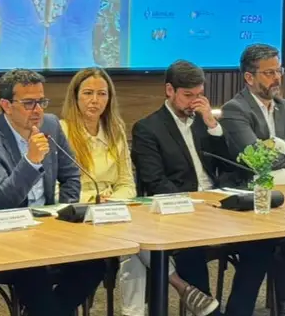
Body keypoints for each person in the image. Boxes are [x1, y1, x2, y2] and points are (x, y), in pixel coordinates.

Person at [59, 67, 219, 316]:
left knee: (134, 241)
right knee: (133, 240)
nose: (95, 100)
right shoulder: (62, 131)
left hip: (113, 208)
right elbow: (57, 185)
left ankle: (135, 311)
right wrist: (93, 202)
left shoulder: (114, 129)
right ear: (75, 97)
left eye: (102, 94)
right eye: (88, 93)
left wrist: (114, 202)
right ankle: (180, 286)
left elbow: (127, 182)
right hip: (78, 212)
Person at [129, 60, 271, 316]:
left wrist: (213, 126)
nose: (193, 102)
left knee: (261, 244)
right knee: (190, 252)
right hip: (181, 213)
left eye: (199, 95)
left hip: (217, 206)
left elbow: (231, 165)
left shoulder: (203, 122)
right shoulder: (147, 128)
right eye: (187, 95)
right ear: (169, 90)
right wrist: (194, 203)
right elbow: (154, 181)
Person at [0, 68, 106, 316]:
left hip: (49, 228)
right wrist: (31, 160)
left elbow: (71, 174)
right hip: (4, 234)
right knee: (35, 270)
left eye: (41, 101)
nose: (38, 110)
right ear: (6, 105)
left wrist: (65, 211)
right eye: (28, 103)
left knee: (96, 261)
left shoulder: (51, 125)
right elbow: (5, 199)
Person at [220, 44, 285, 316]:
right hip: (257, 198)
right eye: (269, 73)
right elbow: (255, 158)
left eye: (279, 71)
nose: (277, 78)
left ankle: (283, 300)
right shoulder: (235, 109)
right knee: (260, 249)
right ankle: (258, 307)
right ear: (249, 77)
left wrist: (279, 145)